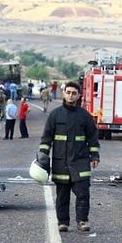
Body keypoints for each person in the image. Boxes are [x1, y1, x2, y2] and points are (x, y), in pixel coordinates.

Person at [38, 81, 100, 232]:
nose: (71, 95)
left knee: (83, 192)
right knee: (62, 195)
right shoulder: (55, 115)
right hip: (61, 162)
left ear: (78, 96)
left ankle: (83, 221)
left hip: (80, 161)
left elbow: (92, 137)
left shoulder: (85, 116)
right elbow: (46, 138)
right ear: (64, 93)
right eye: (68, 92)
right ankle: (63, 222)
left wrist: (95, 156)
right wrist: (42, 157)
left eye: (74, 93)